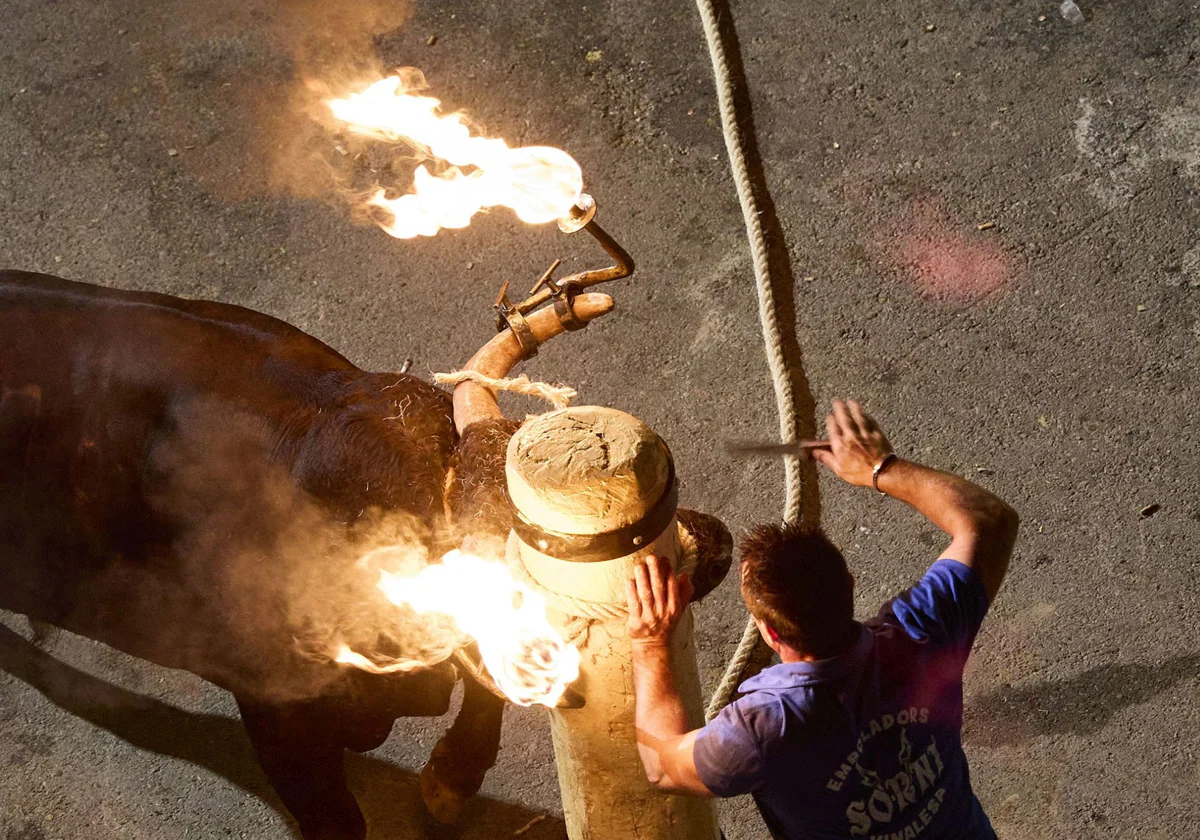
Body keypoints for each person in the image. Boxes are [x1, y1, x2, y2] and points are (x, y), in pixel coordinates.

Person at [626, 399, 1018, 839]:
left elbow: (662, 767)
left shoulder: (763, 728)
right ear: (849, 585)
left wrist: (650, 646)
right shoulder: (922, 632)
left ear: (770, 633)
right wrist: (881, 467)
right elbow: (990, 521)